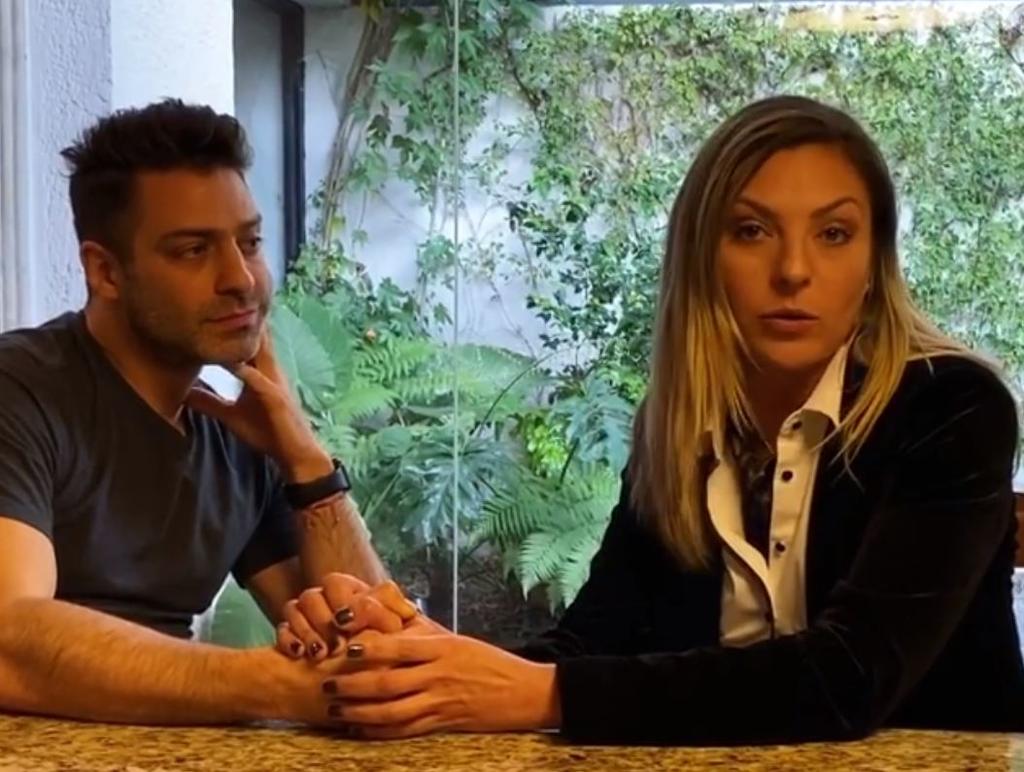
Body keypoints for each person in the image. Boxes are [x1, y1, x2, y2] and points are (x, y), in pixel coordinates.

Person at [283, 95, 1024, 744]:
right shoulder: (678, 426)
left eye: (833, 234)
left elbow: (850, 677)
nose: (794, 270)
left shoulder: (953, 408)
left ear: (875, 264)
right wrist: (419, 662)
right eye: (752, 230)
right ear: (703, 257)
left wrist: (534, 692)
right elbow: (591, 643)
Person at [0, 99, 416, 727]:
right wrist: (274, 686)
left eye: (250, 242)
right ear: (105, 271)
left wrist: (306, 464)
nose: (241, 279)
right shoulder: (22, 390)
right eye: (194, 251)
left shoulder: (241, 430)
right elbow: (10, 637)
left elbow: (375, 653)